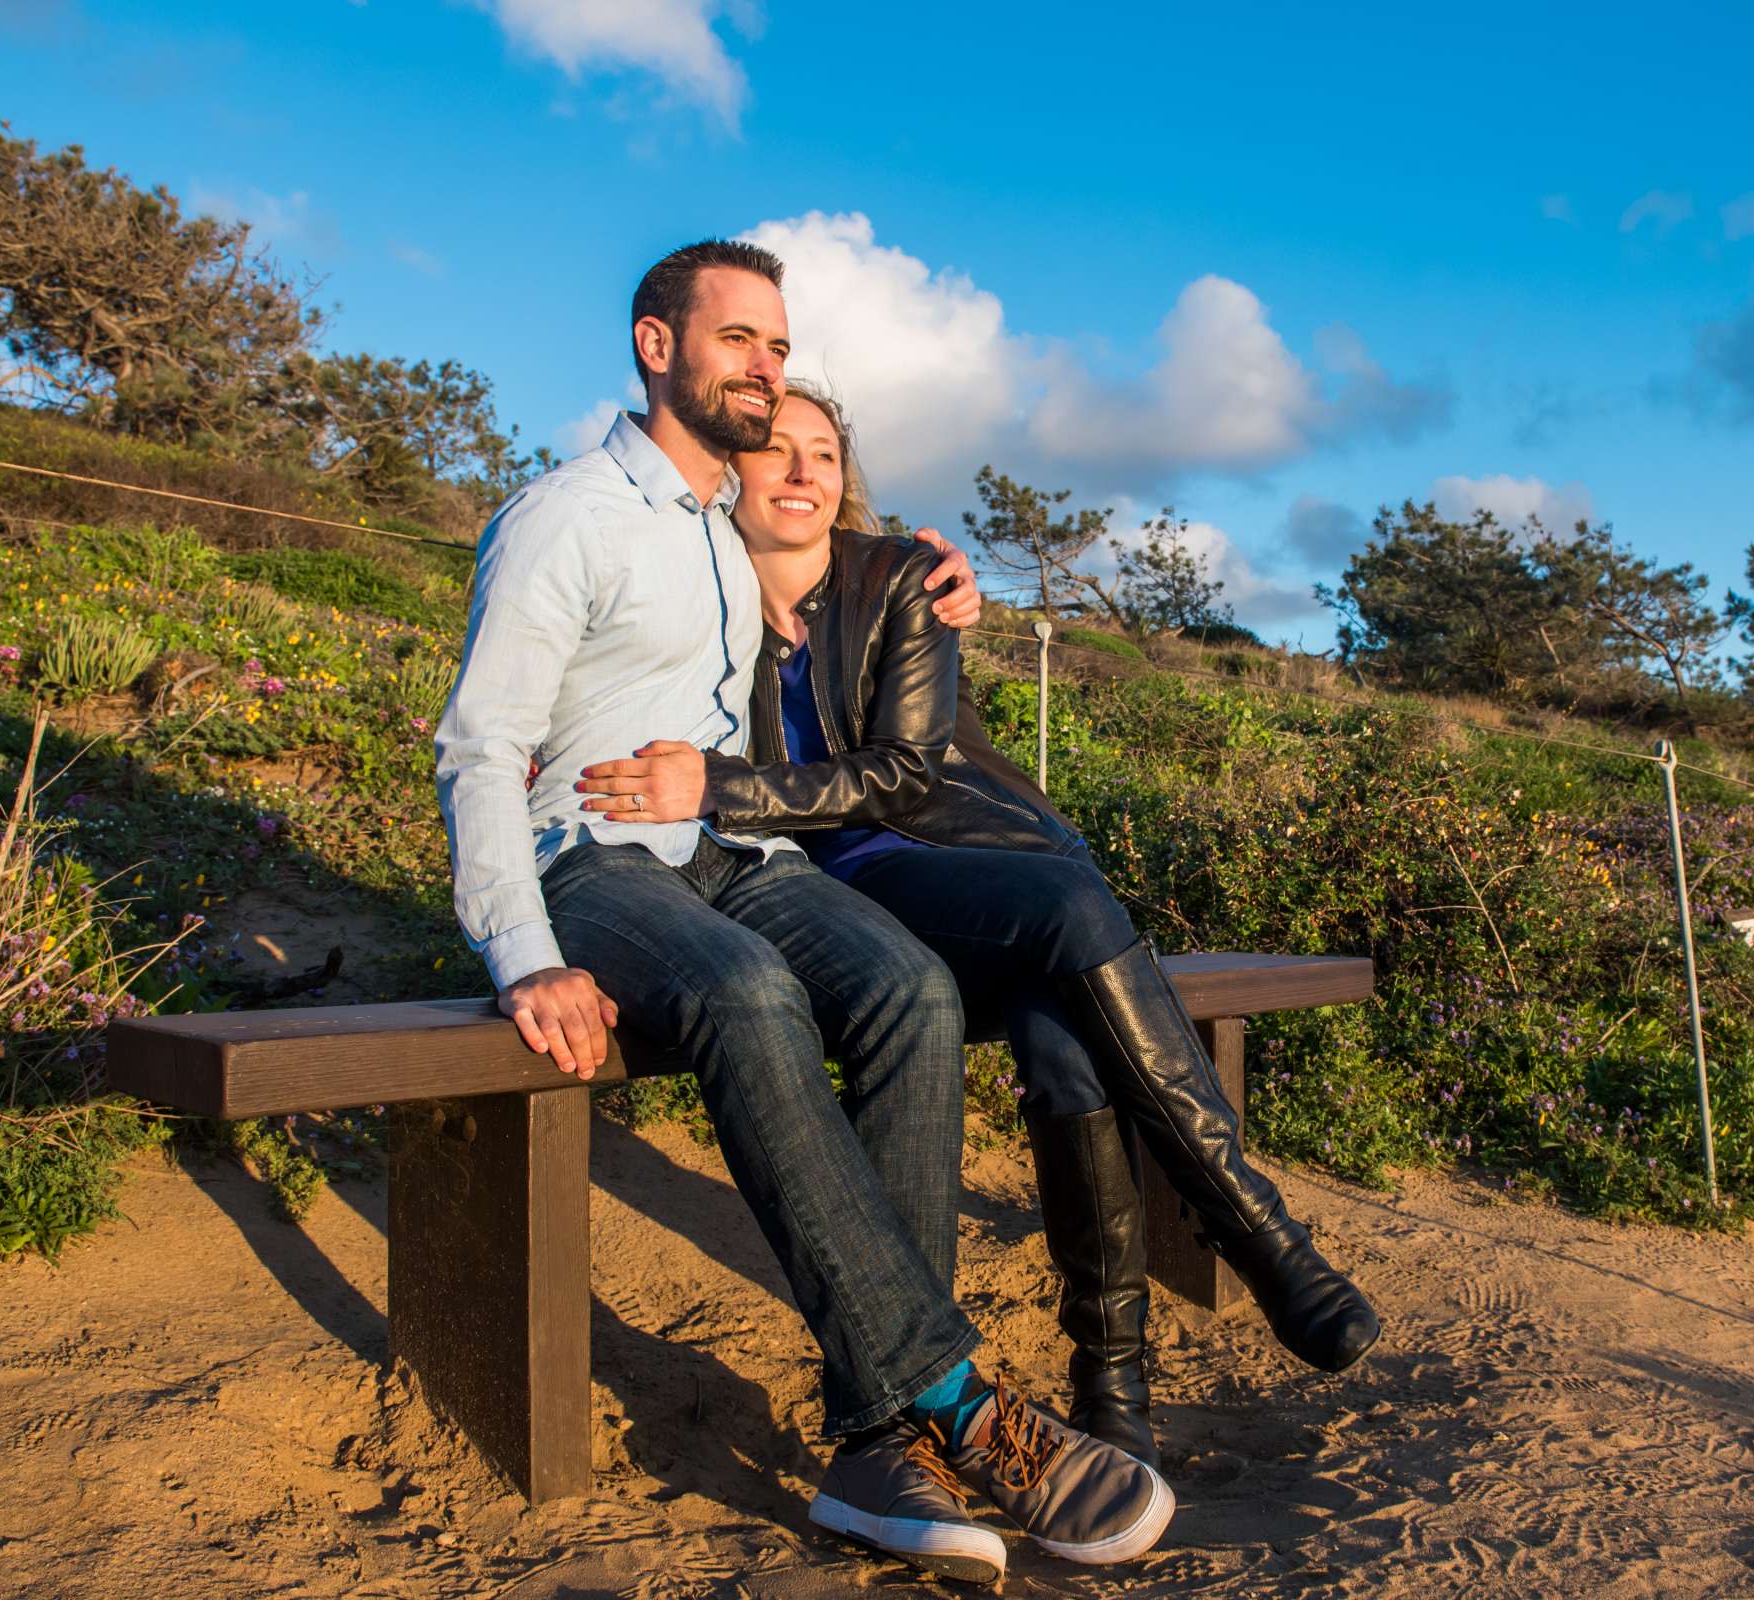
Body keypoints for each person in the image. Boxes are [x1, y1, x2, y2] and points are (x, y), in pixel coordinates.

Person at [435, 241, 1170, 1584]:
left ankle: (870, 1449)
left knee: (910, 990)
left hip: (739, 854)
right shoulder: (567, 517)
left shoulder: (723, 530)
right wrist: (527, 957)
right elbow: (480, 748)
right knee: (751, 995)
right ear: (659, 347)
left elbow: (824, 567)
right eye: (737, 341)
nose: (765, 369)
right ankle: (953, 1406)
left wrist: (938, 579)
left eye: (779, 346)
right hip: (594, 866)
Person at [574, 381, 1381, 1470]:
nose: (804, 469)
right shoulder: (690, 594)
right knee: (1066, 969)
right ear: (728, 468)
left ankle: (1154, 1338)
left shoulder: (902, 576)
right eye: (776, 448)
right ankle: (1203, 1297)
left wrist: (731, 786)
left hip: (961, 857)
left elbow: (903, 777)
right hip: (838, 900)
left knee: (1061, 991)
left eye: (824, 451)